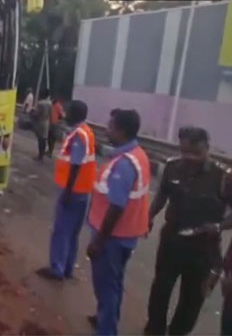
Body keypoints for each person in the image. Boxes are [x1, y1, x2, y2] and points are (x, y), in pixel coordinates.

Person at [144, 127, 232, 336]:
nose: (190, 158)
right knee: (160, 291)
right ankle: (154, 331)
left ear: (207, 149)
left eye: (196, 153)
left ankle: (177, 333)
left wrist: (219, 226)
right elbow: (161, 197)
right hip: (172, 241)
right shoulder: (172, 167)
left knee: (192, 300)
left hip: (203, 248)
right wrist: (148, 216)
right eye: (185, 152)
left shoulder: (223, 177)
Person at [87, 109, 150, 336]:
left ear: (121, 131)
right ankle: (106, 317)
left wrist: (99, 241)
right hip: (126, 236)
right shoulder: (138, 154)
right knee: (114, 283)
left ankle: (106, 329)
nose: (107, 129)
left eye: (111, 126)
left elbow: (117, 205)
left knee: (106, 286)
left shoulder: (123, 164)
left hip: (112, 238)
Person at [36, 100, 96, 280]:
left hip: (74, 191)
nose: (65, 115)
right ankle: (67, 268)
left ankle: (57, 269)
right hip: (83, 191)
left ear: (76, 114)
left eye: (68, 112)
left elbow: (76, 165)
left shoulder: (79, 135)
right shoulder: (88, 132)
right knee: (73, 233)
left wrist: (68, 193)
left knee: (62, 231)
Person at [35, 89, 52, 162]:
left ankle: (40, 155)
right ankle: (42, 155)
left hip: (40, 122)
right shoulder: (50, 103)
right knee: (44, 139)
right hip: (47, 122)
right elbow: (51, 114)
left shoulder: (40, 103)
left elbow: (37, 114)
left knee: (40, 139)